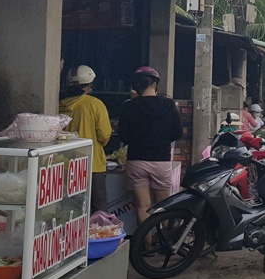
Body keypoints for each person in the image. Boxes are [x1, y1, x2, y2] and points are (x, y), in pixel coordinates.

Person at [118, 66, 184, 231]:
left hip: (136, 160)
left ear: (136, 86)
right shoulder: (169, 105)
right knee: (163, 206)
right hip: (161, 159)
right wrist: (161, 140)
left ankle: (145, 242)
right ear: (155, 84)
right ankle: (165, 241)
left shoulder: (128, 106)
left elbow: (123, 136)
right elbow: (177, 133)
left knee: (143, 206)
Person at [59, 65, 111, 214]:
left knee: (70, 208)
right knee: (99, 208)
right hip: (92, 164)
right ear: (89, 85)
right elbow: (104, 134)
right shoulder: (94, 104)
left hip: (66, 164)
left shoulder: (59, 105)